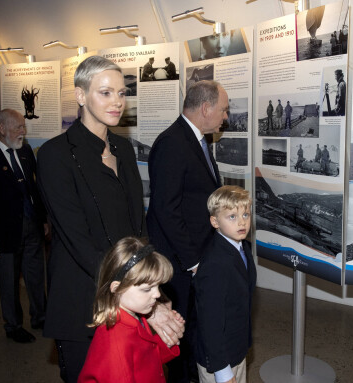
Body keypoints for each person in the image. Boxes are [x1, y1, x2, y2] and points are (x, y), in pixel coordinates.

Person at [37, 56, 183, 382]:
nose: (117, 102)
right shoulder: (54, 156)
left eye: (121, 93)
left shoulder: (123, 148)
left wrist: (152, 290)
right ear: (80, 95)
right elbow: (78, 242)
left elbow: (138, 230)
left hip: (130, 296)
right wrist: (142, 293)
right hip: (83, 302)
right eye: (105, 93)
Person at [147, 80, 227, 383]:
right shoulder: (172, 143)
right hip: (179, 263)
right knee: (177, 334)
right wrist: (193, 260)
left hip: (194, 258)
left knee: (192, 328)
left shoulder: (195, 140)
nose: (225, 116)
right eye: (223, 109)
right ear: (205, 108)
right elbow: (166, 210)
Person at [0, 109, 48, 343]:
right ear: (2, 129)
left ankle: (40, 316)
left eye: (24, 126)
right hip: (3, 232)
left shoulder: (24, 151)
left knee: (35, 275)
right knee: (9, 281)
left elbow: (34, 188)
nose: (23, 131)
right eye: (18, 127)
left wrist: (42, 219)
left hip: (31, 225)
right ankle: (13, 325)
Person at [78, 237, 181, 383]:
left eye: (158, 286)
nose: (158, 294)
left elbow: (145, 360)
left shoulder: (136, 315)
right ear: (117, 288)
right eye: (147, 289)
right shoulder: (116, 342)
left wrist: (167, 340)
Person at [195, 186, 256, 383]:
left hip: (236, 350)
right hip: (219, 362)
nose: (242, 222)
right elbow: (210, 322)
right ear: (214, 221)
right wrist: (222, 370)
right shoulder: (215, 264)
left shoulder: (243, 247)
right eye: (232, 216)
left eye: (245, 214)